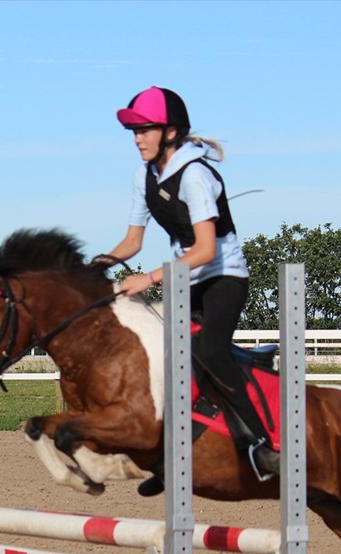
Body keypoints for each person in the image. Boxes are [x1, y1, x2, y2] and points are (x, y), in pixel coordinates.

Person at [100, 85, 280, 481]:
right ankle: (172, 458)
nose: (137, 139)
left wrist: (149, 277)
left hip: (223, 276)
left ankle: (262, 444)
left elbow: (203, 250)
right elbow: (133, 241)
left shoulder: (195, 175)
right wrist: (96, 264)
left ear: (169, 133)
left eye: (145, 130)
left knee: (210, 351)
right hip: (188, 277)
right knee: (169, 359)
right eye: (134, 132)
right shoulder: (144, 175)